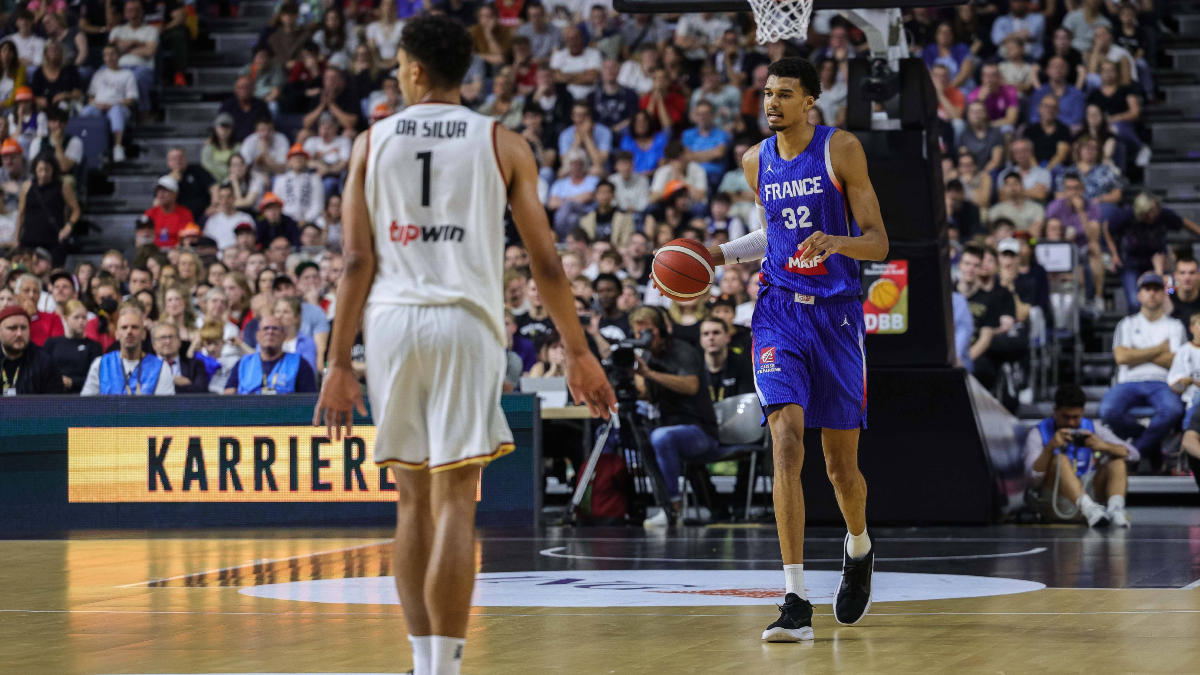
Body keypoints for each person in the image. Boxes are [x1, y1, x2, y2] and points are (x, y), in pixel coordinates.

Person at [313, 16, 613, 675]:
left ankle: (422, 665)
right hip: (467, 323)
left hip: (391, 324)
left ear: (415, 70)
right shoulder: (501, 141)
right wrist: (579, 351)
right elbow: (548, 264)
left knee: (411, 498)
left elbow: (356, 261)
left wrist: (338, 361)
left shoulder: (370, 141)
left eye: (398, 64)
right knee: (456, 498)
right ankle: (444, 667)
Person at [699, 57, 889, 640]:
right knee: (784, 441)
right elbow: (774, 235)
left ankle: (858, 546)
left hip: (836, 318)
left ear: (811, 102)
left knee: (841, 469)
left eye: (785, 93)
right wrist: (718, 255)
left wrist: (838, 242)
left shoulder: (842, 149)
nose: (772, 102)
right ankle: (794, 597)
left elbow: (879, 242)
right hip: (778, 312)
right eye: (767, 93)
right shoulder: (755, 161)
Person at [1099, 273, 1186, 471]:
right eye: (1147, 289)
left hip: (1163, 382)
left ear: (1164, 294)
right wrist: (1159, 349)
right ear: (1139, 295)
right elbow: (1121, 358)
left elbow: (1174, 361)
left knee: (1173, 410)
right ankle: (1151, 447)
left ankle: (1134, 452)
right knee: (1107, 411)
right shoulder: (1127, 324)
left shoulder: (1174, 325)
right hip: (1128, 382)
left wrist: (1136, 354)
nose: (1152, 294)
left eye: (1156, 289)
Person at [1024, 383, 1135, 527]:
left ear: (1082, 411)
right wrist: (1050, 447)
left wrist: (1103, 445)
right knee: (1059, 459)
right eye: (1066, 417)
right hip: (1057, 498)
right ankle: (1088, 508)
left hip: (1090, 493)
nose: (1071, 423)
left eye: (1076, 417)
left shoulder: (1093, 428)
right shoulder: (1038, 433)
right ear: (1055, 411)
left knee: (1117, 461)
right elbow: (1032, 480)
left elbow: (1133, 454)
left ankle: (1115, 510)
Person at [81, 303, 173, 395]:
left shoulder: (161, 367)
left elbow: (165, 407)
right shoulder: (100, 364)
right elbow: (86, 404)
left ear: (144, 334)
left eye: (134, 327)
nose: (129, 331)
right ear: (117, 334)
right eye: (124, 327)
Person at [224, 312, 316, 394]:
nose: (270, 332)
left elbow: (309, 401)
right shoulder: (243, 363)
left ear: (284, 335)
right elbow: (228, 398)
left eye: (275, 328)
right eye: (265, 328)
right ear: (257, 335)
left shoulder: (300, 364)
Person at [16, 156, 79, 266]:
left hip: (53, 241)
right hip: (29, 240)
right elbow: (21, 214)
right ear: (35, 169)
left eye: (47, 170)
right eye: (40, 169)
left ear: (53, 170)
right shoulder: (27, 186)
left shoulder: (63, 186)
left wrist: (69, 226)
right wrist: (16, 239)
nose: (43, 174)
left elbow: (76, 209)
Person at [0, 304, 64, 394]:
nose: (19, 333)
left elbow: (54, 405)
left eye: (24, 328)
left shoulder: (45, 362)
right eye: (12, 328)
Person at [108, 0, 156, 113]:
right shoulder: (117, 30)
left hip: (142, 67)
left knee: (136, 78)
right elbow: (111, 52)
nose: (134, 14)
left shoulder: (151, 30)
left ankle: (144, 112)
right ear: (125, 13)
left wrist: (124, 47)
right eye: (130, 11)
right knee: (102, 74)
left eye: (137, 11)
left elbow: (149, 51)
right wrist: (137, 43)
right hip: (119, 67)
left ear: (142, 12)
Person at [699, 315, 754, 402]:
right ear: (701, 340)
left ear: (728, 337)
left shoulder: (742, 363)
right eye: (706, 334)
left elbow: (746, 400)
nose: (711, 338)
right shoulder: (695, 366)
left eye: (716, 332)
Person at [152, 322, 208, 394]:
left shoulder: (195, 365)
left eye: (171, 337)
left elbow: (201, 392)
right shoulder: (145, 367)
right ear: (154, 344)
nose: (168, 341)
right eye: (163, 338)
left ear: (179, 341)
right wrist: (173, 380)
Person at [143, 175, 193, 250]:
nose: (161, 194)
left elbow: (188, 240)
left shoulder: (185, 214)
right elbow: (141, 239)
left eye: (165, 190)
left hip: (176, 252)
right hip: (154, 252)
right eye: (159, 190)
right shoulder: (150, 213)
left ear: (175, 194)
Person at [204, 184, 256, 251]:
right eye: (221, 197)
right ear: (218, 199)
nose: (225, 200)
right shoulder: (212, 221)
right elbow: (207, 243)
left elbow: (252, 241)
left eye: (229, 196)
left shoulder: (246, 218)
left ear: (234, 197)